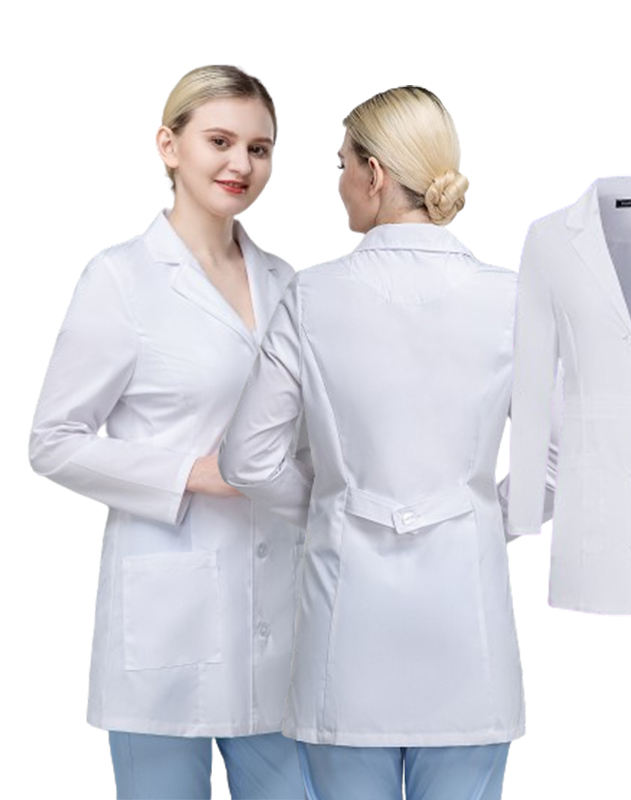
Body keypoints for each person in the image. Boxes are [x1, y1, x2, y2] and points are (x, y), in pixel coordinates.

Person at [219, 85, 558, 800]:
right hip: (468, 641)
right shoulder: (514, 298)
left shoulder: (312, 297)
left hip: (347, 641)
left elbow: (247, 458)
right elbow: (558, 460)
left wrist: (333, 507)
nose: (340, 180)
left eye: (342, 163)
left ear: (374, 174)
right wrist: (479, 520)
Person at [29, 65, 306, 799]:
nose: (241, 164)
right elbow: (53, 440)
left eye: (259, 148)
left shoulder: (288, 283)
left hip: (281, 620)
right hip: (167, 616)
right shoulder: (121, 279)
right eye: (220, 141)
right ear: (169, 145)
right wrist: (192, 473)